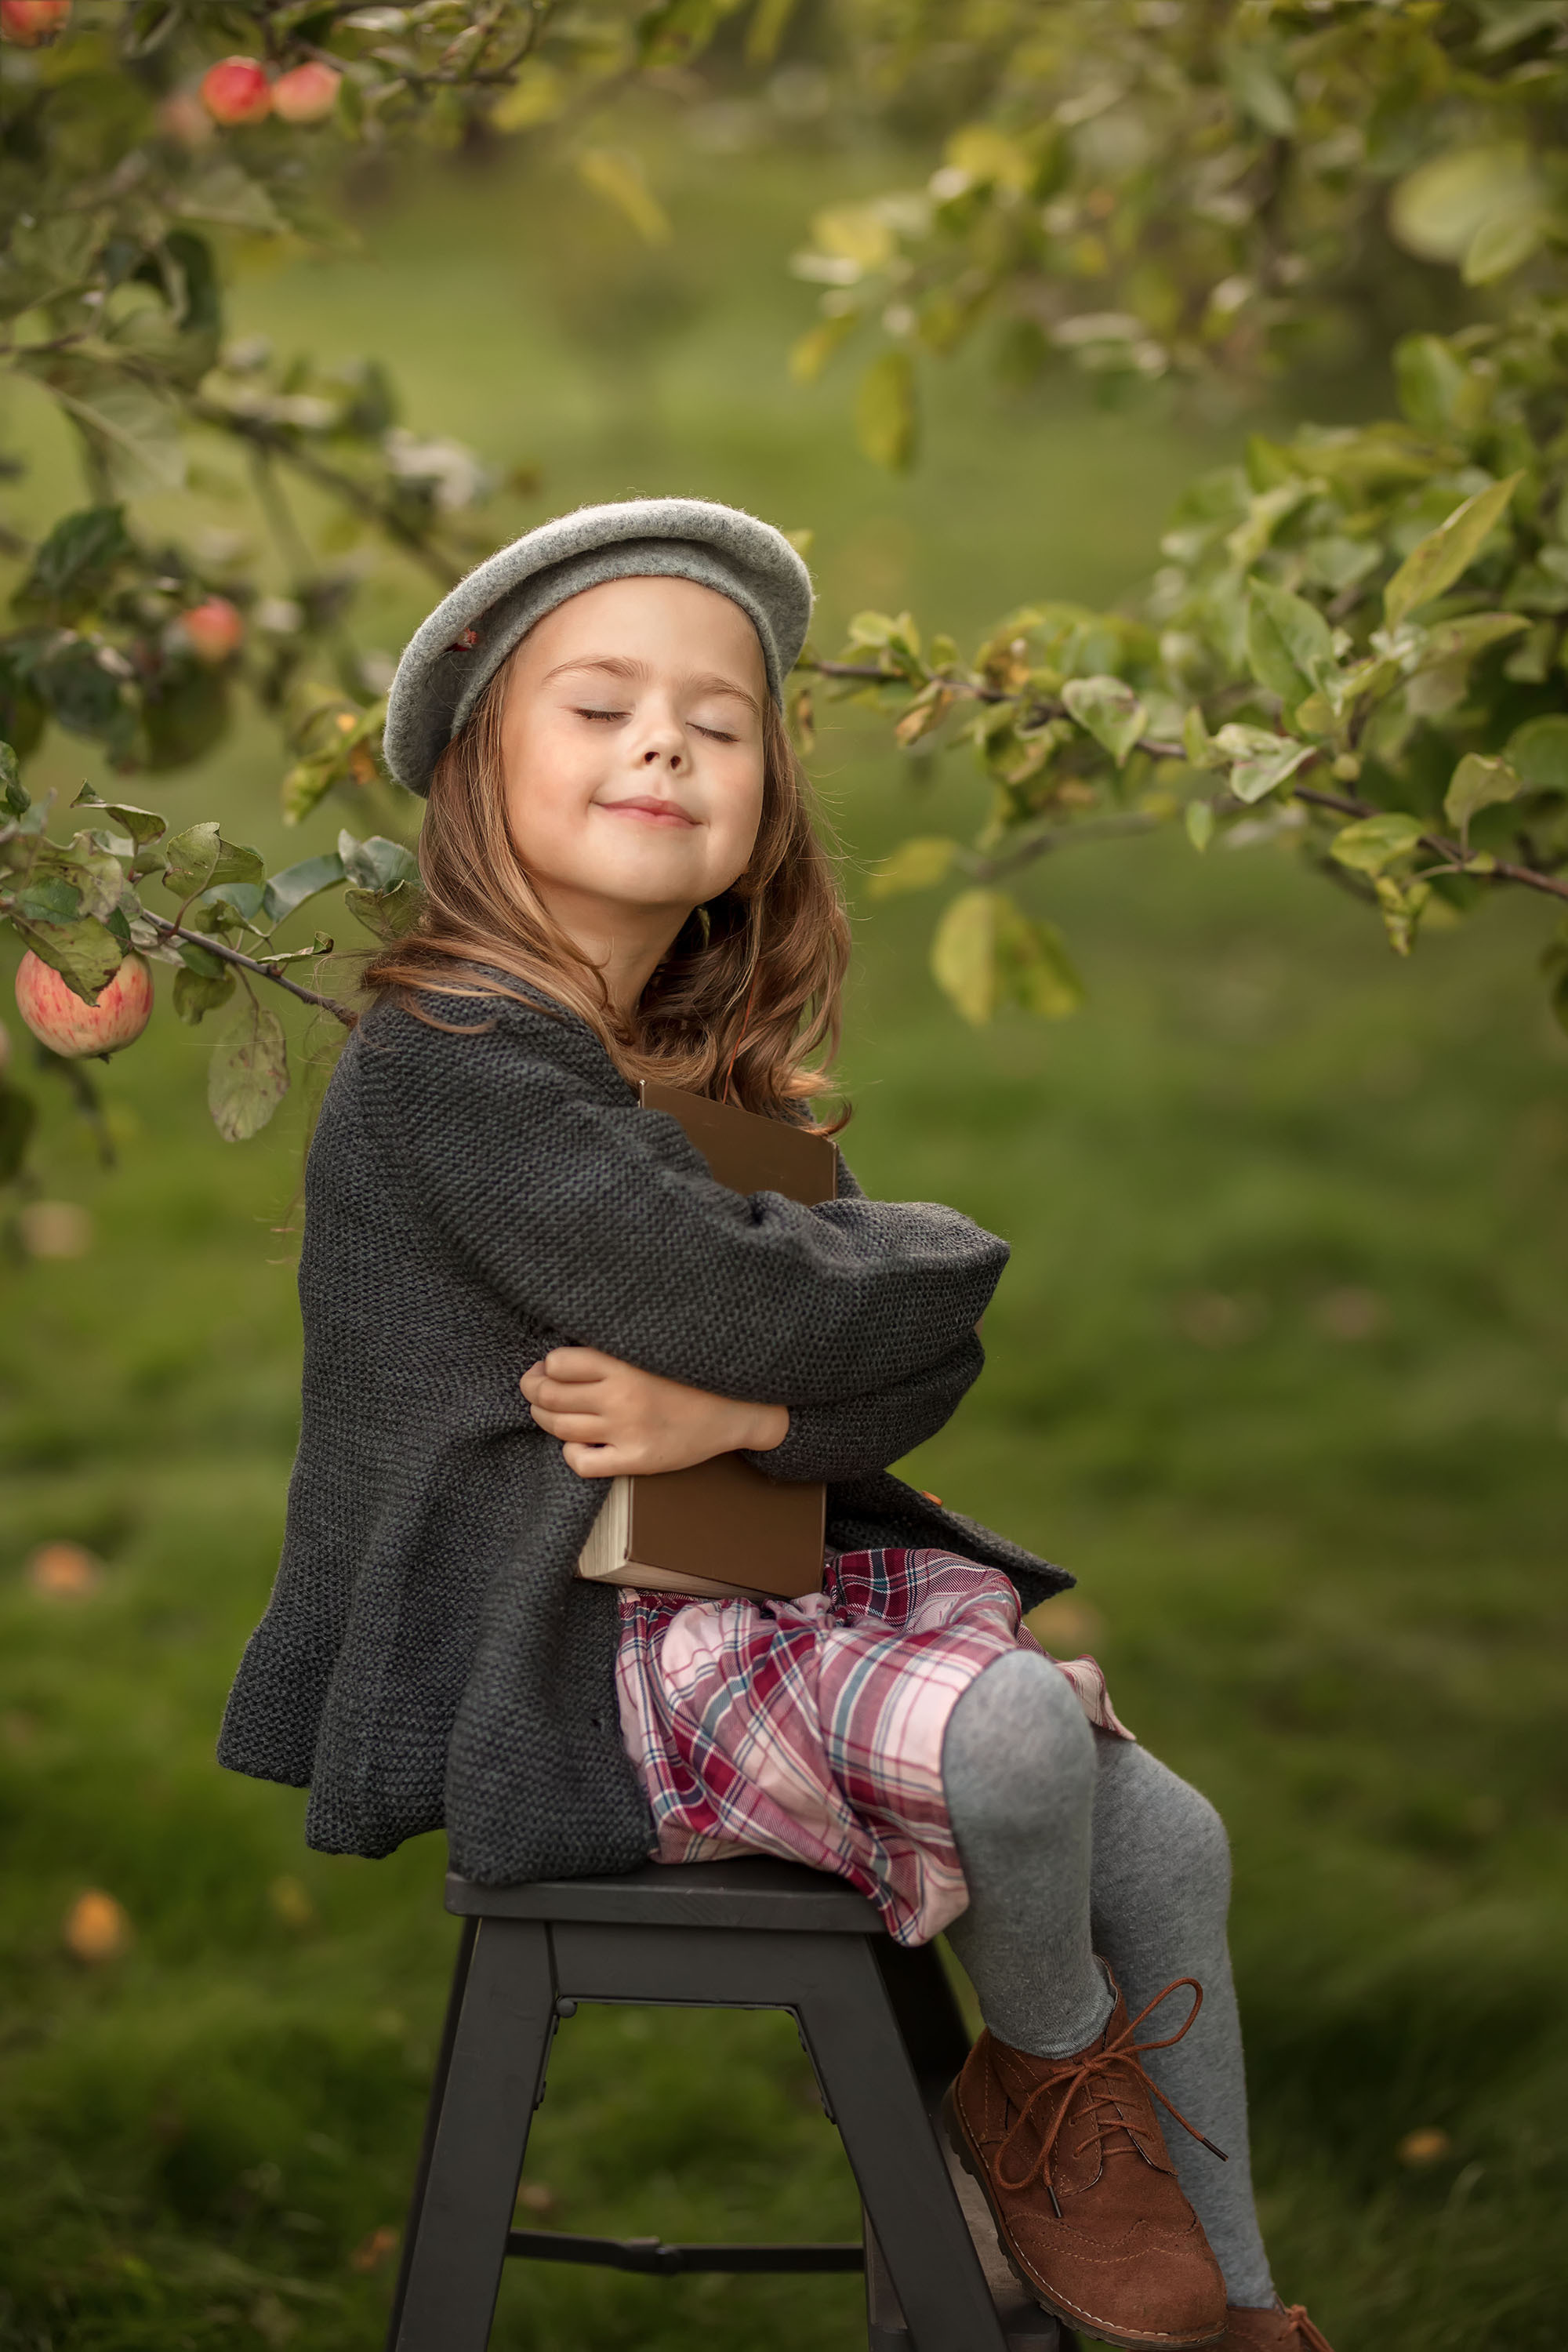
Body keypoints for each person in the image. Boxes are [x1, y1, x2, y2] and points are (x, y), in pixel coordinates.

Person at [218, 498, 1334, 2352]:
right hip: (554, 1660)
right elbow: (860, 1300)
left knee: (1169, 1839)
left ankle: (1215, 2310)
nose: (662, 737)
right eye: (598, 705)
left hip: (717, 1617)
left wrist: (742, 1404)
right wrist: (834, 1315)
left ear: (760, 810)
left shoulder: (679, 1077)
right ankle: (1035, 2105)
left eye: (717, 722)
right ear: (477, 771)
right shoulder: (456, 1069)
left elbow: (891, 1365)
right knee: (1015, 1736)